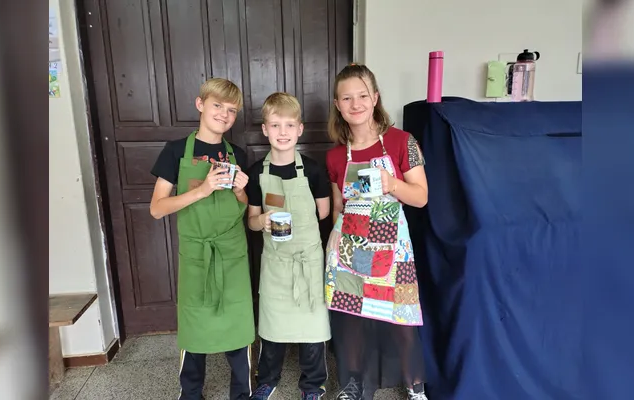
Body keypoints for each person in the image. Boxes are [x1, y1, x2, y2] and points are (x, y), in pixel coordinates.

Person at [324, 64, 429, 400]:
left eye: (362, 95)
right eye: (347, 98)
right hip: (351, 245)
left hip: (391, 246)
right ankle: (352, 385)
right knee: (350, 316)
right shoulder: (336, 156)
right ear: (338, 105)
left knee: (402, 319)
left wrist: (392, 183)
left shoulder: (402, 142)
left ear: (375, 98)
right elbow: (339, 206)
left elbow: (421, 197)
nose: (355, 104)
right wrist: (334, 238)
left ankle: (416, 387)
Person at [149, 78, 254, 400]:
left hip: (232, 251)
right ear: (200, 104)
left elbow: (245, 206)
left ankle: (242, 392)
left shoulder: (237, 153)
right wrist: (203, 189)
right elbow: (157, 208)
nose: (224, 114)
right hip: (197, 252)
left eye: (231, 110)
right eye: (217, 105)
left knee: (238, 325)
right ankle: (191, 392)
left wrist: (240, 191)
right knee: (194, 325)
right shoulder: (176, 150)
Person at [246, 92, 332, 400]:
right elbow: (252, 220)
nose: (283, 132)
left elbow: (323, 213)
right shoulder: (257, 172)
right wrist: (263, 222)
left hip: (307, 260)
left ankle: (313, 386)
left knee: (313, 329)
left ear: (300, 129)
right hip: (276, 263)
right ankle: (267, 380)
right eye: (275, 125)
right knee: (272, 327)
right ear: (265, 129)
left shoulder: (313, 170)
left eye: (289, 125)